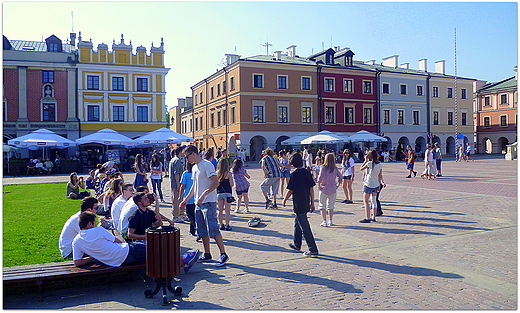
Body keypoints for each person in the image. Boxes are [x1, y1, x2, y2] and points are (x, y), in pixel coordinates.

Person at [72, 211, 201, 273]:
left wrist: (93, 256)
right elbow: (117, 241)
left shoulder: (76, 241)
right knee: (156, 247)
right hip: (126, 251)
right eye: (93, 223)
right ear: (89, 224)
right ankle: (184, 259)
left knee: (153, 250)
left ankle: (183, 263)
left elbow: (77, 263)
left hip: (116, 261)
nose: (95, 224)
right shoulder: (98, 230)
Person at [179, 145, 229, 267]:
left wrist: (204, 194)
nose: (187, 160)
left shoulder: (207, 165)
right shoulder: (195, 167)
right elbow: (194, 186)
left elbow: (215, 182)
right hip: (198, 203)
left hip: (208, 202)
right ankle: (207, 253)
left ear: (193, 154)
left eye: (187, 156)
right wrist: (185, 200)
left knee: (213, 228)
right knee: (202, 230)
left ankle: (223, 254)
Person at [282, 152, 318, 258]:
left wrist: (284, 200)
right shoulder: (307, 172)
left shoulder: (294, 175)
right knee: (297, 223)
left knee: (305, 227)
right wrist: (312, 202)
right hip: (306, 201)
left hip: (298, 203)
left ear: (292, 163)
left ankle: (313, 249)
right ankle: (297, 244)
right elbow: (311, 188)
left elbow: (290, 190)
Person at [359, 150, 386, 223]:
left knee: (366, 201)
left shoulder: (369, 163)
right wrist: (382, 182)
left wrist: (365, 160)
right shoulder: (380, 164)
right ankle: (373, 217)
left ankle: (367, 217)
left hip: (369, 184)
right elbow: (380, 175)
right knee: (374, 200)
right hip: (376, 184)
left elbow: (361, 168)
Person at [317, 153, 342, 227]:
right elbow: (340, 176)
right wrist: (338, 185)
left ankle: (324, 221)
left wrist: (319, 186)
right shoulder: (335, 168)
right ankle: (330, 220)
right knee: (331, 206)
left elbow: (319, 178)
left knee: (322, 206)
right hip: (333, 188)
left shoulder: (323, 168)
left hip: (324, 188)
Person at [216, 158, 234, 231]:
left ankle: (221, 225)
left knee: (220, 211)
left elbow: (215, 184)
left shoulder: (217, 173)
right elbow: (232, 184)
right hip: (227, 193)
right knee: (227, 210)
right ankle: (227, 225)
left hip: (219, 193)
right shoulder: (229, 173)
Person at [179, 162, 196, 237]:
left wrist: (180, 196)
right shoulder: (196, 173)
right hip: (196, 197)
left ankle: (194, 227)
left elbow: (182, 186)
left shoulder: (185, 174)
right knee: (195, 215)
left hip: (188, 198)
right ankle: (192, 229)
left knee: (190, 214)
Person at [170, 146, 186, 223]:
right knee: (177, 199)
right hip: (176, 183)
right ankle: (176, 216)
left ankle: (180, 213)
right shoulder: (177, 160)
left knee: (177, 199)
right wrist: (178, 184)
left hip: (174, 183)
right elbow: (177, 173)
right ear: (180, 152)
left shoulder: (173, 159)